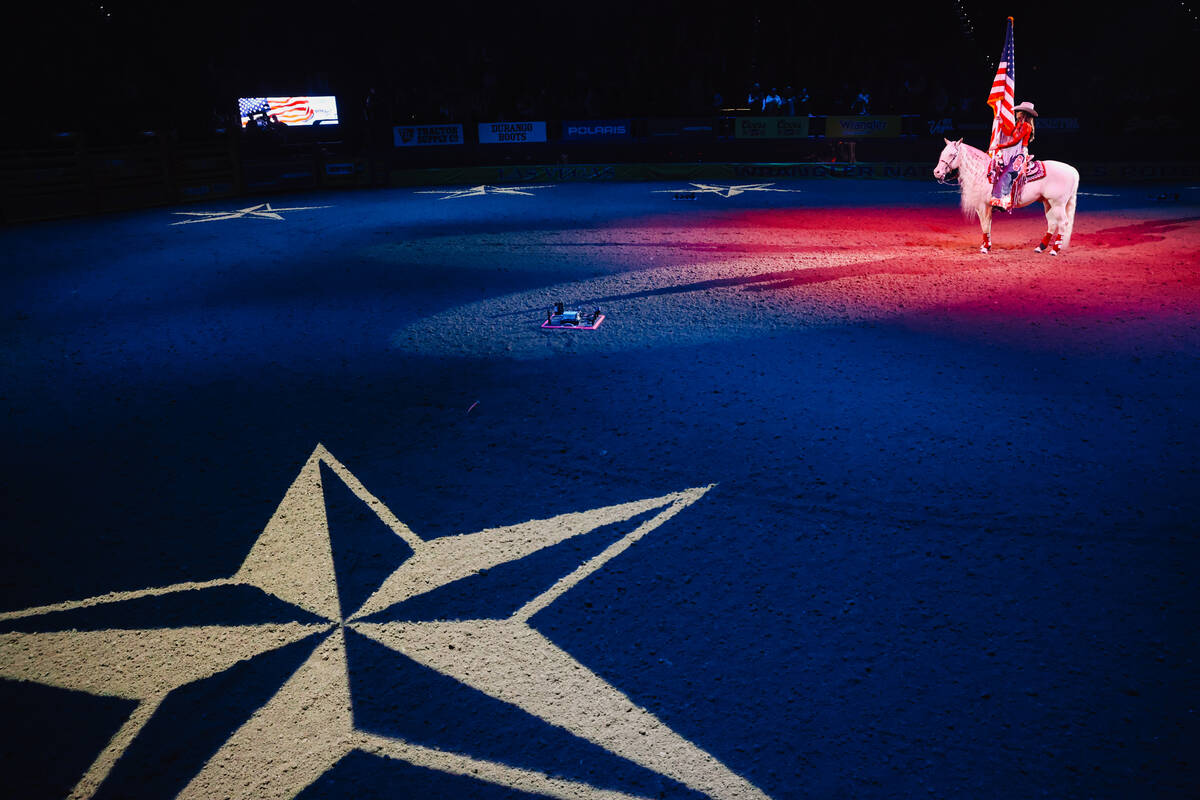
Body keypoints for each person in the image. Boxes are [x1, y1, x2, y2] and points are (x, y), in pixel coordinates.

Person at [990, 101, 1037, 210]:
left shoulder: (1026, 126)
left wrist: (999, 146)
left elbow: (1015, 141)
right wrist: (1001, 123)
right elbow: (1010, 133)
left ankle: (1005, 201)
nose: (1017, 113)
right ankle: (998, 199)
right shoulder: (1019, 124)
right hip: (1013, 151)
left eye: (1019, 111)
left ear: (1024, 114)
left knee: (1008, 172)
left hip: (1020, 152)